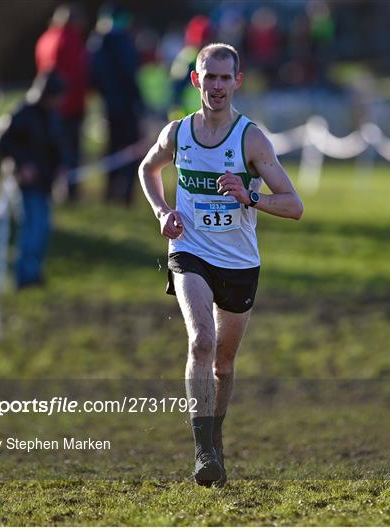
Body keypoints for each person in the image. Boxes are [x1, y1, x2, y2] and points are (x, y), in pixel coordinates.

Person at [138, 43, 303, 487]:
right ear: (196, 80)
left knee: (224, 364)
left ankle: (216, 434)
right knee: (200, 341)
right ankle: (203, 450)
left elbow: (294, 205)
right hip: (190, 251)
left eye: (223, 78)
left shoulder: (251, 138)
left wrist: (250, 196)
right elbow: (147, 169)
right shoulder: (178, 134)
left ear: (237, 82)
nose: (215, 86)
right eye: (208, 77)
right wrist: (162, 212)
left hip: (239, 262)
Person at [0, 71, 67, 289]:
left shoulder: (52, 116)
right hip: (25, 184)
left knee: (42, 229)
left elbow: (57, 146)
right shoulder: (22, 113)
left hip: (45, 183)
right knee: (31, 229)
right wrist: (22, 164)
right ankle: (23, 277)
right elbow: (1, 141)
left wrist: (62, 167)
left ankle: (34, 272)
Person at [88, 4, 144, 205]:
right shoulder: (122, 41)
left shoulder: (96, 41)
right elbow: (130, 74)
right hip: (126, 105)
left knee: (112, 148)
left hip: (108, 104)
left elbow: (93, 75)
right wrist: (139, 101)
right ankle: (126, 194)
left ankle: (110, 192)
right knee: (129, 150)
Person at [35, 3, 88, 202]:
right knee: (69, 152)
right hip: (70, 105)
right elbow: (77, 74)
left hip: (48, 104)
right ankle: (68, 193)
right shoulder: (70, 40)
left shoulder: (45, 38)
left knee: (50, 148)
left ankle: (51, 188)